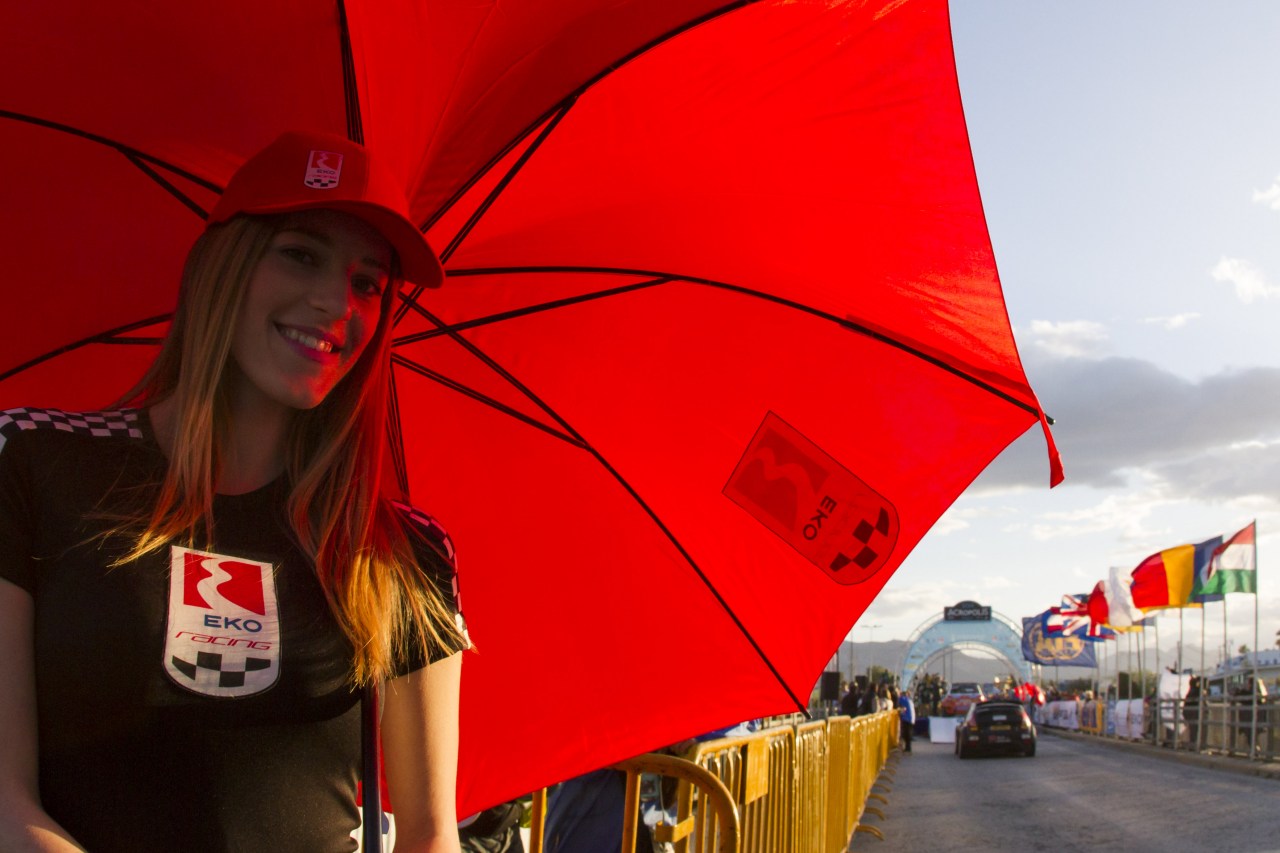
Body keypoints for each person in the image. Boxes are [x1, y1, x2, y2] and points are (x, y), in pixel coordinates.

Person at [0, 131, 472, 852]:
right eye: (300, 253)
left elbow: (430, 833)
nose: (333, 302)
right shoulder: (32, 462)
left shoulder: (401, 554)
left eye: (367, 283)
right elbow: (5, 800)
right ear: (224, 263)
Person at [897, 688, 915, 753]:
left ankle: (908, 748)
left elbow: (898, 703)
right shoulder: (909, 700)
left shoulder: (903, 699)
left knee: (906, 734)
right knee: (908, 734)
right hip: (911, 719)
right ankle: (908, 747)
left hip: (906, 718)